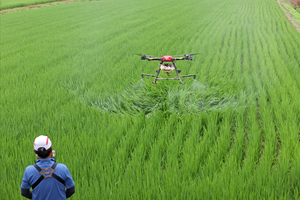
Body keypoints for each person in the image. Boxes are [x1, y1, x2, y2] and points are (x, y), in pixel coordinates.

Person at [21, 135, 75, 199]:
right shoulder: (63, 168)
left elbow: (24, 192)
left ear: (35, 151)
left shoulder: (29, 171)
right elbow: (71, 190)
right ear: (51, 149)